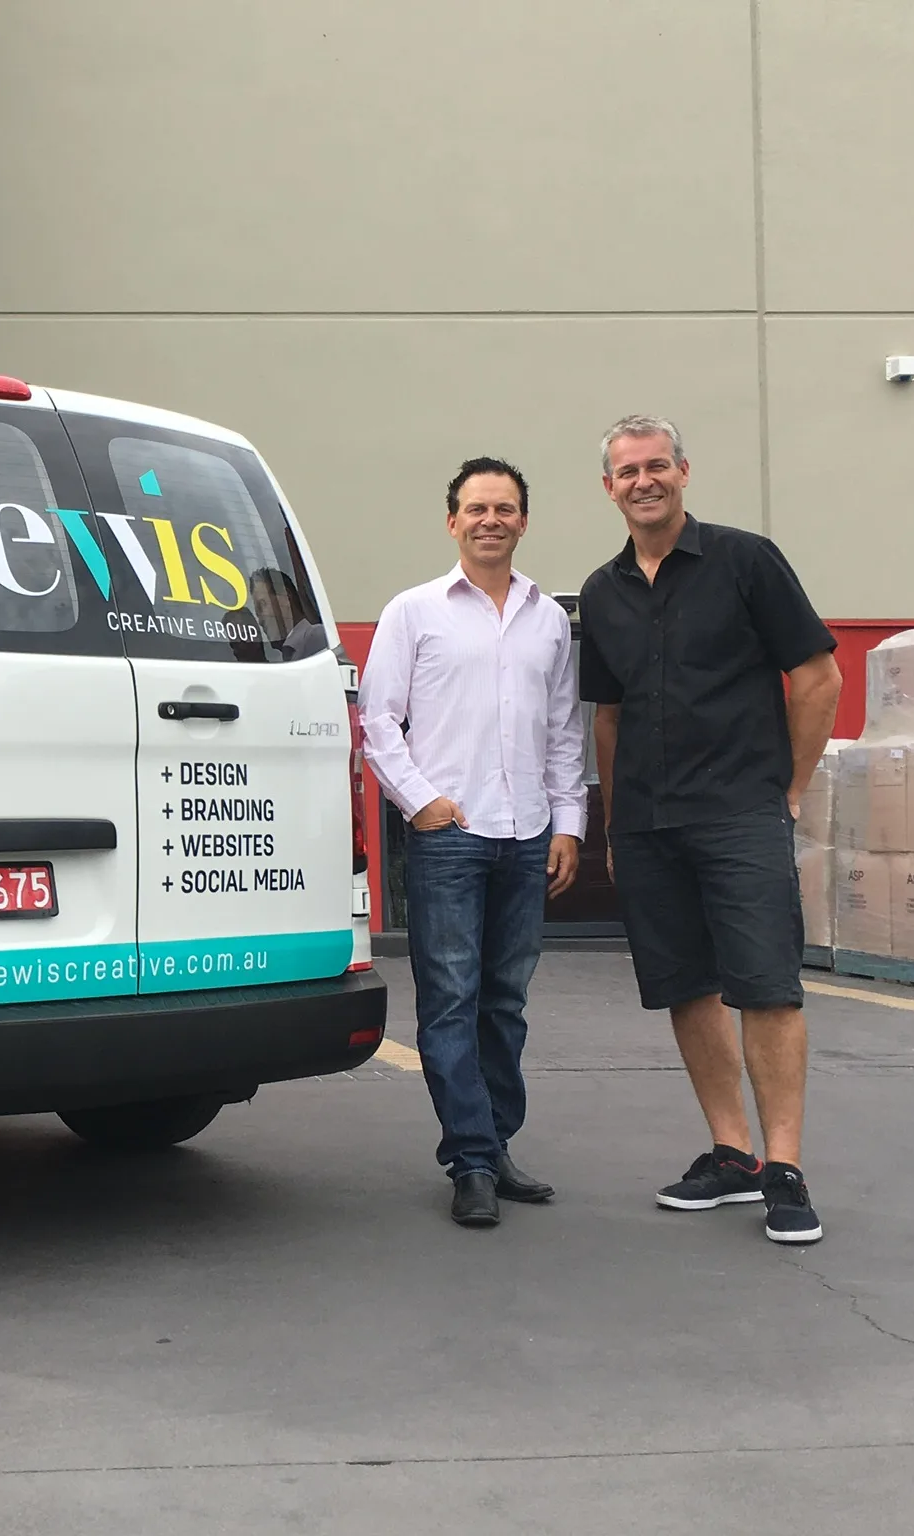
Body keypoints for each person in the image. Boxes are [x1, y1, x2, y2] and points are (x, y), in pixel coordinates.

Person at [580, 415, 840, 1245]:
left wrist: (788, 791)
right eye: (628, 470)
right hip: (651, 824)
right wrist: (616, 823)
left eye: (658, 465)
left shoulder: (745, 561)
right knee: (686, 987)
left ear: (684, 472)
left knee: (766, 985)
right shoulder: (601, 591)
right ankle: (733, 1155)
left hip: (739, 813)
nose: (644, 480)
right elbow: (609, 713)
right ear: (609, 487)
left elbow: (818, 676)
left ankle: (786, 1168)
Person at [361, 458, 586, 1227]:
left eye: (506, 508)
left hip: (526, 835)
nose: (491, 519)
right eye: (476, 507)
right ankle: (470, 1159)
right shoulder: (415, 612)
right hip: (450, 836)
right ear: (452, 520)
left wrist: (570, 824)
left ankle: (494, 1143)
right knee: (451, 1001)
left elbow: (563, 732)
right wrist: (421, 803)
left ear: (524, 520)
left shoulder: (548, 619)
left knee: (506, 1002)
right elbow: (378, 721)